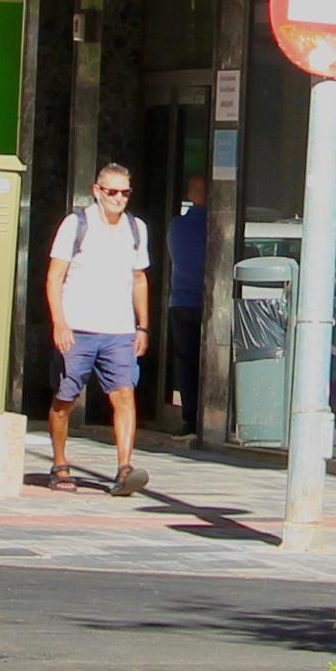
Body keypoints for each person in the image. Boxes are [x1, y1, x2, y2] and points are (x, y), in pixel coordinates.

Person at [42, 161, 155, 496]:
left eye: (125, 192)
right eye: (112, 192)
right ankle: (60, 462)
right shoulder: (76, 225)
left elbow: (139, 279)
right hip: (77, 328)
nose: (119, 198)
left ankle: (124, 468)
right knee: (65, 399)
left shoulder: (136, 229)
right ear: (97, 191)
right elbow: (54, 277)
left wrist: (143, 326)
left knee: (124, 395)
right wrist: (59, 323)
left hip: (118, 331)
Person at [161, 172, 212, 431]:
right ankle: (214, 416)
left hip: (181, 302)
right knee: (213, 362)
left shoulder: (177, 226)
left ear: (190, 196)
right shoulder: (216, 226)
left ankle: (190, 418)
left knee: (187, 362)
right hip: (210, 303)